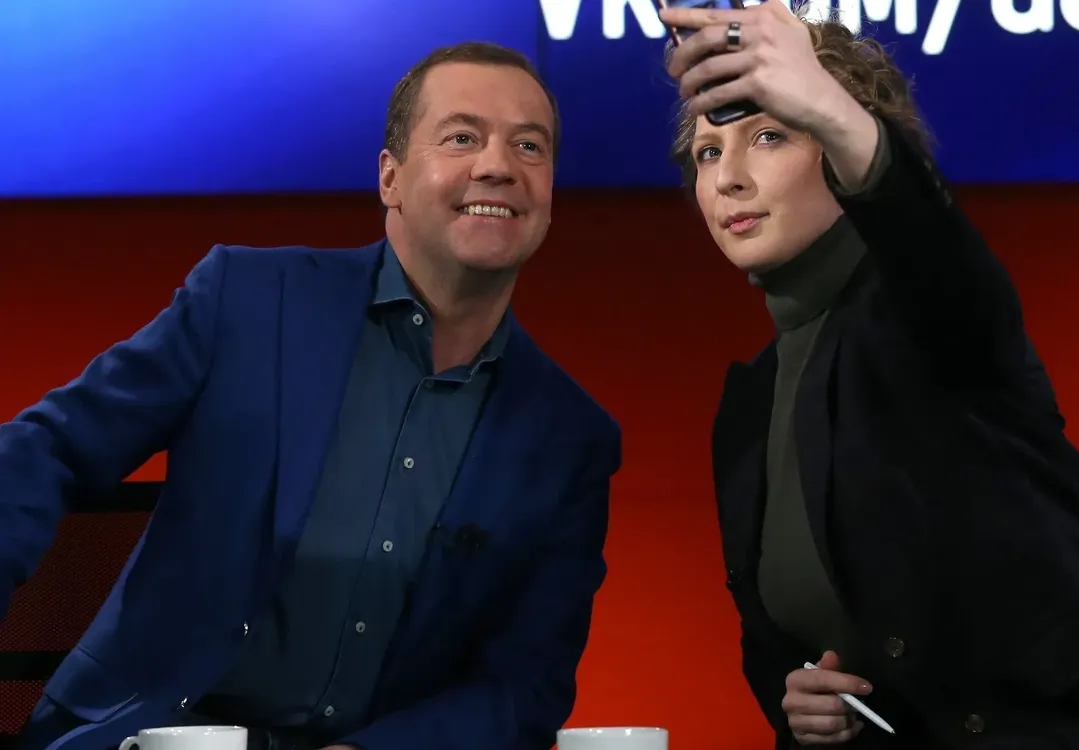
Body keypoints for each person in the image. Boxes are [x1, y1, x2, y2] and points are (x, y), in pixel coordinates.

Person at [0, 41, 620, 750]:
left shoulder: (568, 438)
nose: (497, 166)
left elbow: (526, 686)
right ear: (390, 176)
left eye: (530, 146)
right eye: (461, 137)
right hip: (153, 737)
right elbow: (50, 448)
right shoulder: (248, 301)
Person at [658, 2, 1079, 748]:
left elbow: (931, 249)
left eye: (771, 135)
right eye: (708, 152)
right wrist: (806, 699)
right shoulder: (750, 405)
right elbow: (786, 647)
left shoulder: (921, 317)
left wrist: (830, 105)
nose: (729, 178)